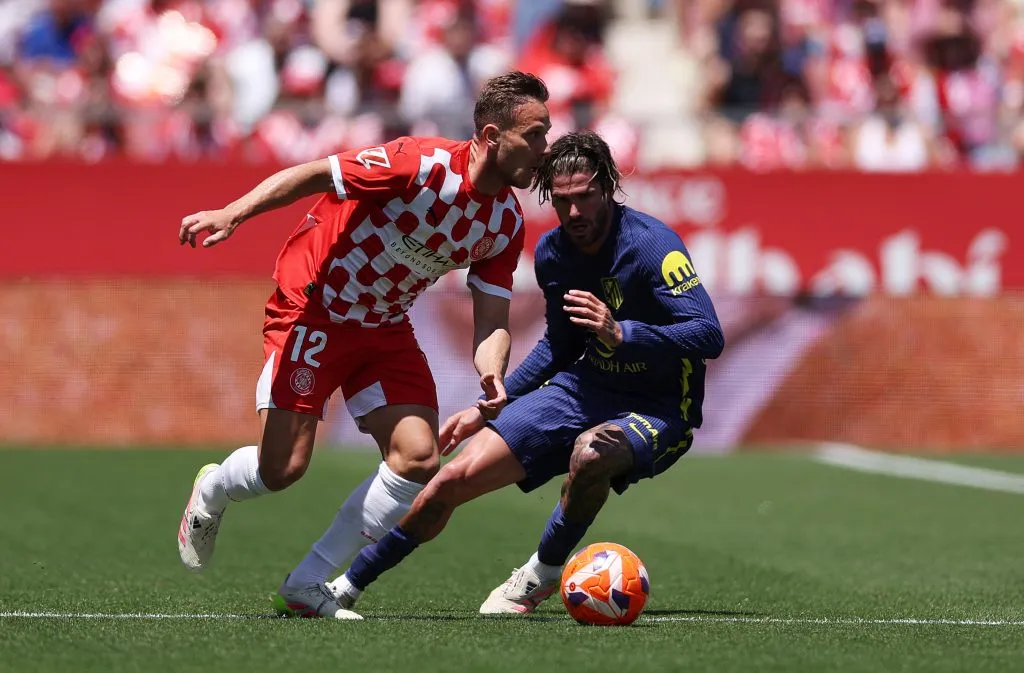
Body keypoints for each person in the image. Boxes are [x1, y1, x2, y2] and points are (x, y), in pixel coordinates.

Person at [175, 71, 551, 619]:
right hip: (313, 309)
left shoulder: (504, 221)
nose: (544, 148)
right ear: (492, 136)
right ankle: (213, 489)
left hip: (384, 326)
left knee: (419, 457)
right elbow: (313, 174)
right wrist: (233, 213)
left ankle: (306, 585)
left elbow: (491, 316)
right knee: (283, 470)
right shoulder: (418, 165)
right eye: (534, 135)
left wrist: (491, 372)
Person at [323, 129, 725, 616]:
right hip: (585, 388)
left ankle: (541, 573)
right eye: (562, 201)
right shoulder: (555, 253)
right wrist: (491, 404)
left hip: (660, 407)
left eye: (585, 197)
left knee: (591, 454)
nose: (575, 213)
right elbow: (560, 343)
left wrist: (623, 334)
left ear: (610, 187)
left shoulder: (653, 246)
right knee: (451, 479)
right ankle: (345, 587)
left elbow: (708, 334)